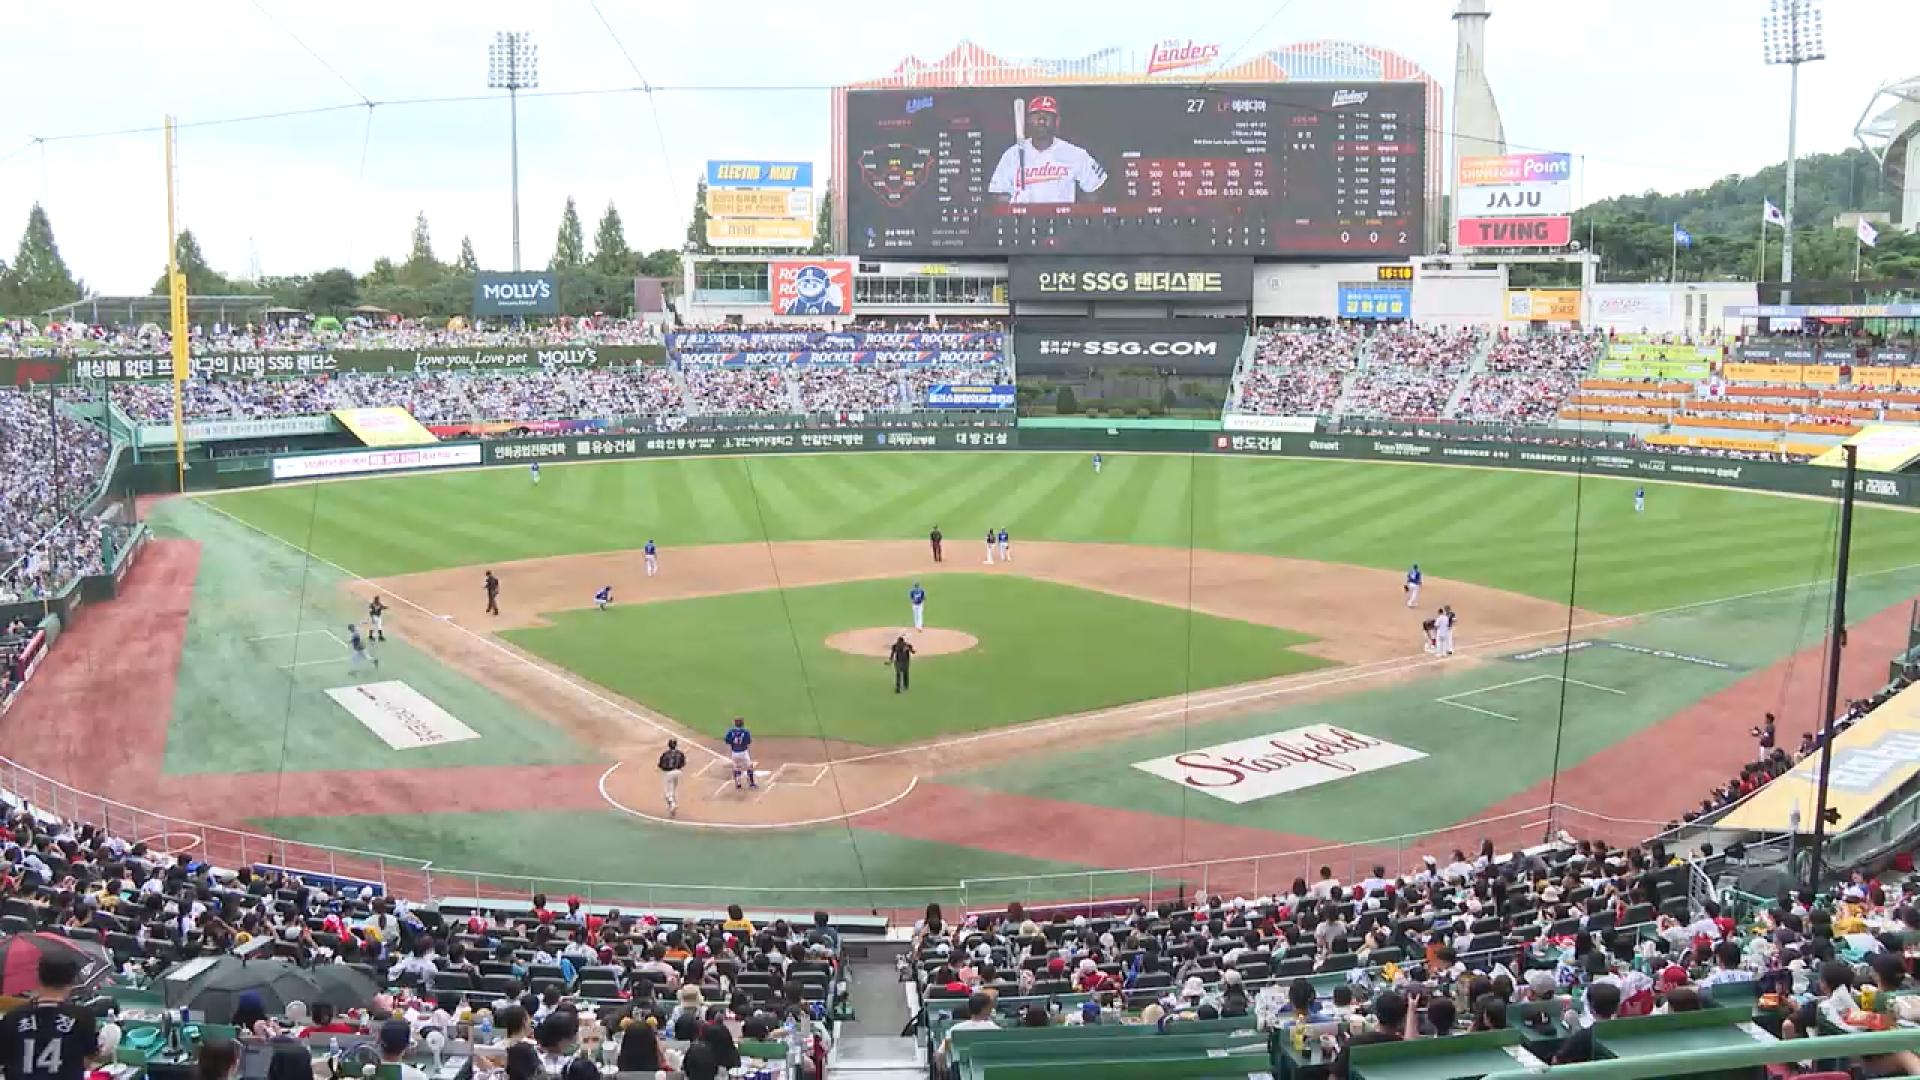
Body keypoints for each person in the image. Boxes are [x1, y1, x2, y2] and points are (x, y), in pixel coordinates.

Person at [989, 95, 1106, 205]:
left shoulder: (1075, 154)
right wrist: (1014, 200)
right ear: (1028, 121)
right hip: (1024, 222)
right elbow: (997, 193)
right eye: (1036, 115)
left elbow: (1096, 189)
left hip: (1061, 222)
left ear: (1057, 122)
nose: (1041, 120)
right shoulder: (1012, 155)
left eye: (1047, 115)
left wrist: (1076, 212)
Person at [0, 955, 99, 1080]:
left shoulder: (13, 1017)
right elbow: (86, 1061)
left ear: (38, 978)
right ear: (72, 982)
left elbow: (4, 1059)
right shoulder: (83, 1016)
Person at [1331, 990, 1405, 1080]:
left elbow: (1335, 1076)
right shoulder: (1404, 1048)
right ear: (1402, 1019)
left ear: (1376, 1014)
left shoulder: (1354, 1044)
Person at [1554, 981, 1619, 1064]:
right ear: (1617, 1007)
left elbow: (1557, 1061)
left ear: (1591, 1008)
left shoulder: (1583, 1037)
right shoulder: (1627, 1031)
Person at [657, 738, 687, 817]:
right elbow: (683, 763)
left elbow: (660, 765)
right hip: (678, 772)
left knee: (667, 792)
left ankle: (672, 804)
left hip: (669, 773)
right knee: (674, 788)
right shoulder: (680, 753)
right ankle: (674, 803)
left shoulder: (665, 754)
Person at [724, 717, 756, 790]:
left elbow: (727, 740)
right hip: (744, 753)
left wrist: (733, 743)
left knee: (737, 768)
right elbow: (749, 741)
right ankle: (752, 784)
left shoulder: (730, 731)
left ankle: (738, 785)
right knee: (749, 767)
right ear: (742, 724)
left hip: (734, 753)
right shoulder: (745, 732)